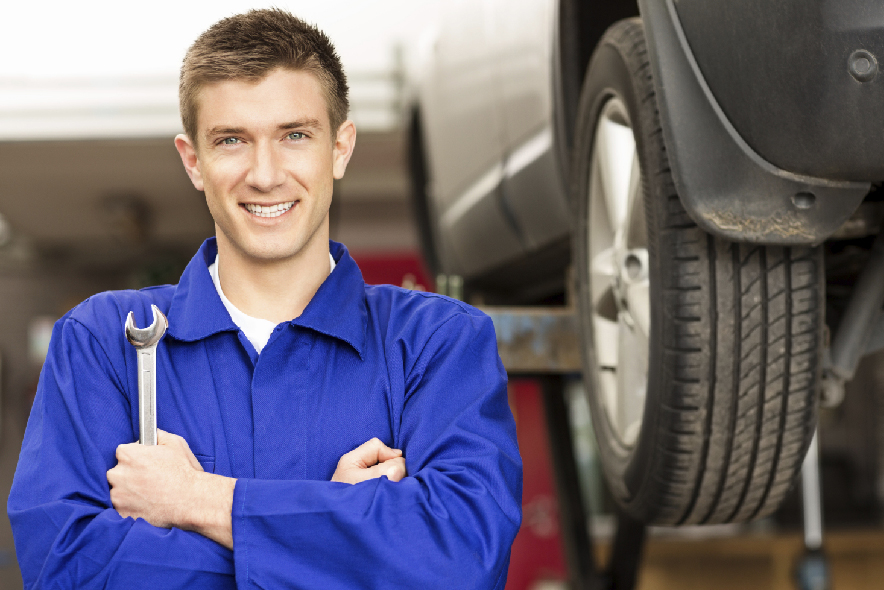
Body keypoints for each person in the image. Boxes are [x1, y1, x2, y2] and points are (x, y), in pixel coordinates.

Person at [8, 9, 522, 589]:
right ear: (193, 161)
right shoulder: (106, 340)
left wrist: (200, 501)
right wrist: (336, 529)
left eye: (295, 135)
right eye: (232, 141)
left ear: (341, 147)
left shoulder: (437, 343)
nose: (265, 174)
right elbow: (68, 569)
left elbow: (461, 560)